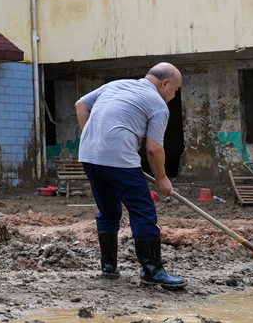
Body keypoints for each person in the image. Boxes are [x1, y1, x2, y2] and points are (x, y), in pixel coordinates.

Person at [75, 63, 186, 289]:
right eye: (175, 90)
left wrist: (96, 139)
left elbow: (81, 105)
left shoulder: (114, 85)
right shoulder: (158, 105)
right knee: (143, 210)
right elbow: (154, 149)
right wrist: (163, 179)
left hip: (89, 155)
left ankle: (108, 267)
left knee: (109, 210)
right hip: (119, 159)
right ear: (164, 84)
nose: (174, 96)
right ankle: (152, 270)